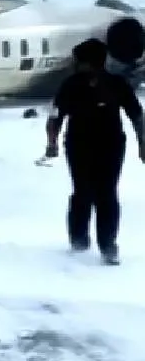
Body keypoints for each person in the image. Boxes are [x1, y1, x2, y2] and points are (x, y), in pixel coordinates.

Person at [45, 38, 145, 265]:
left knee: (85, 191)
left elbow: (55, 116)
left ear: (86, 62)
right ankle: (105, 245)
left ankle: (82, 240)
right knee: (104, 193)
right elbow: (137, 116)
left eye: (78, 60)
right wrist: (142, 143)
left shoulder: (71, 84)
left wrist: (51, 143)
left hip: (84, 145)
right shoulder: (116, 83)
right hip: (107, 145)